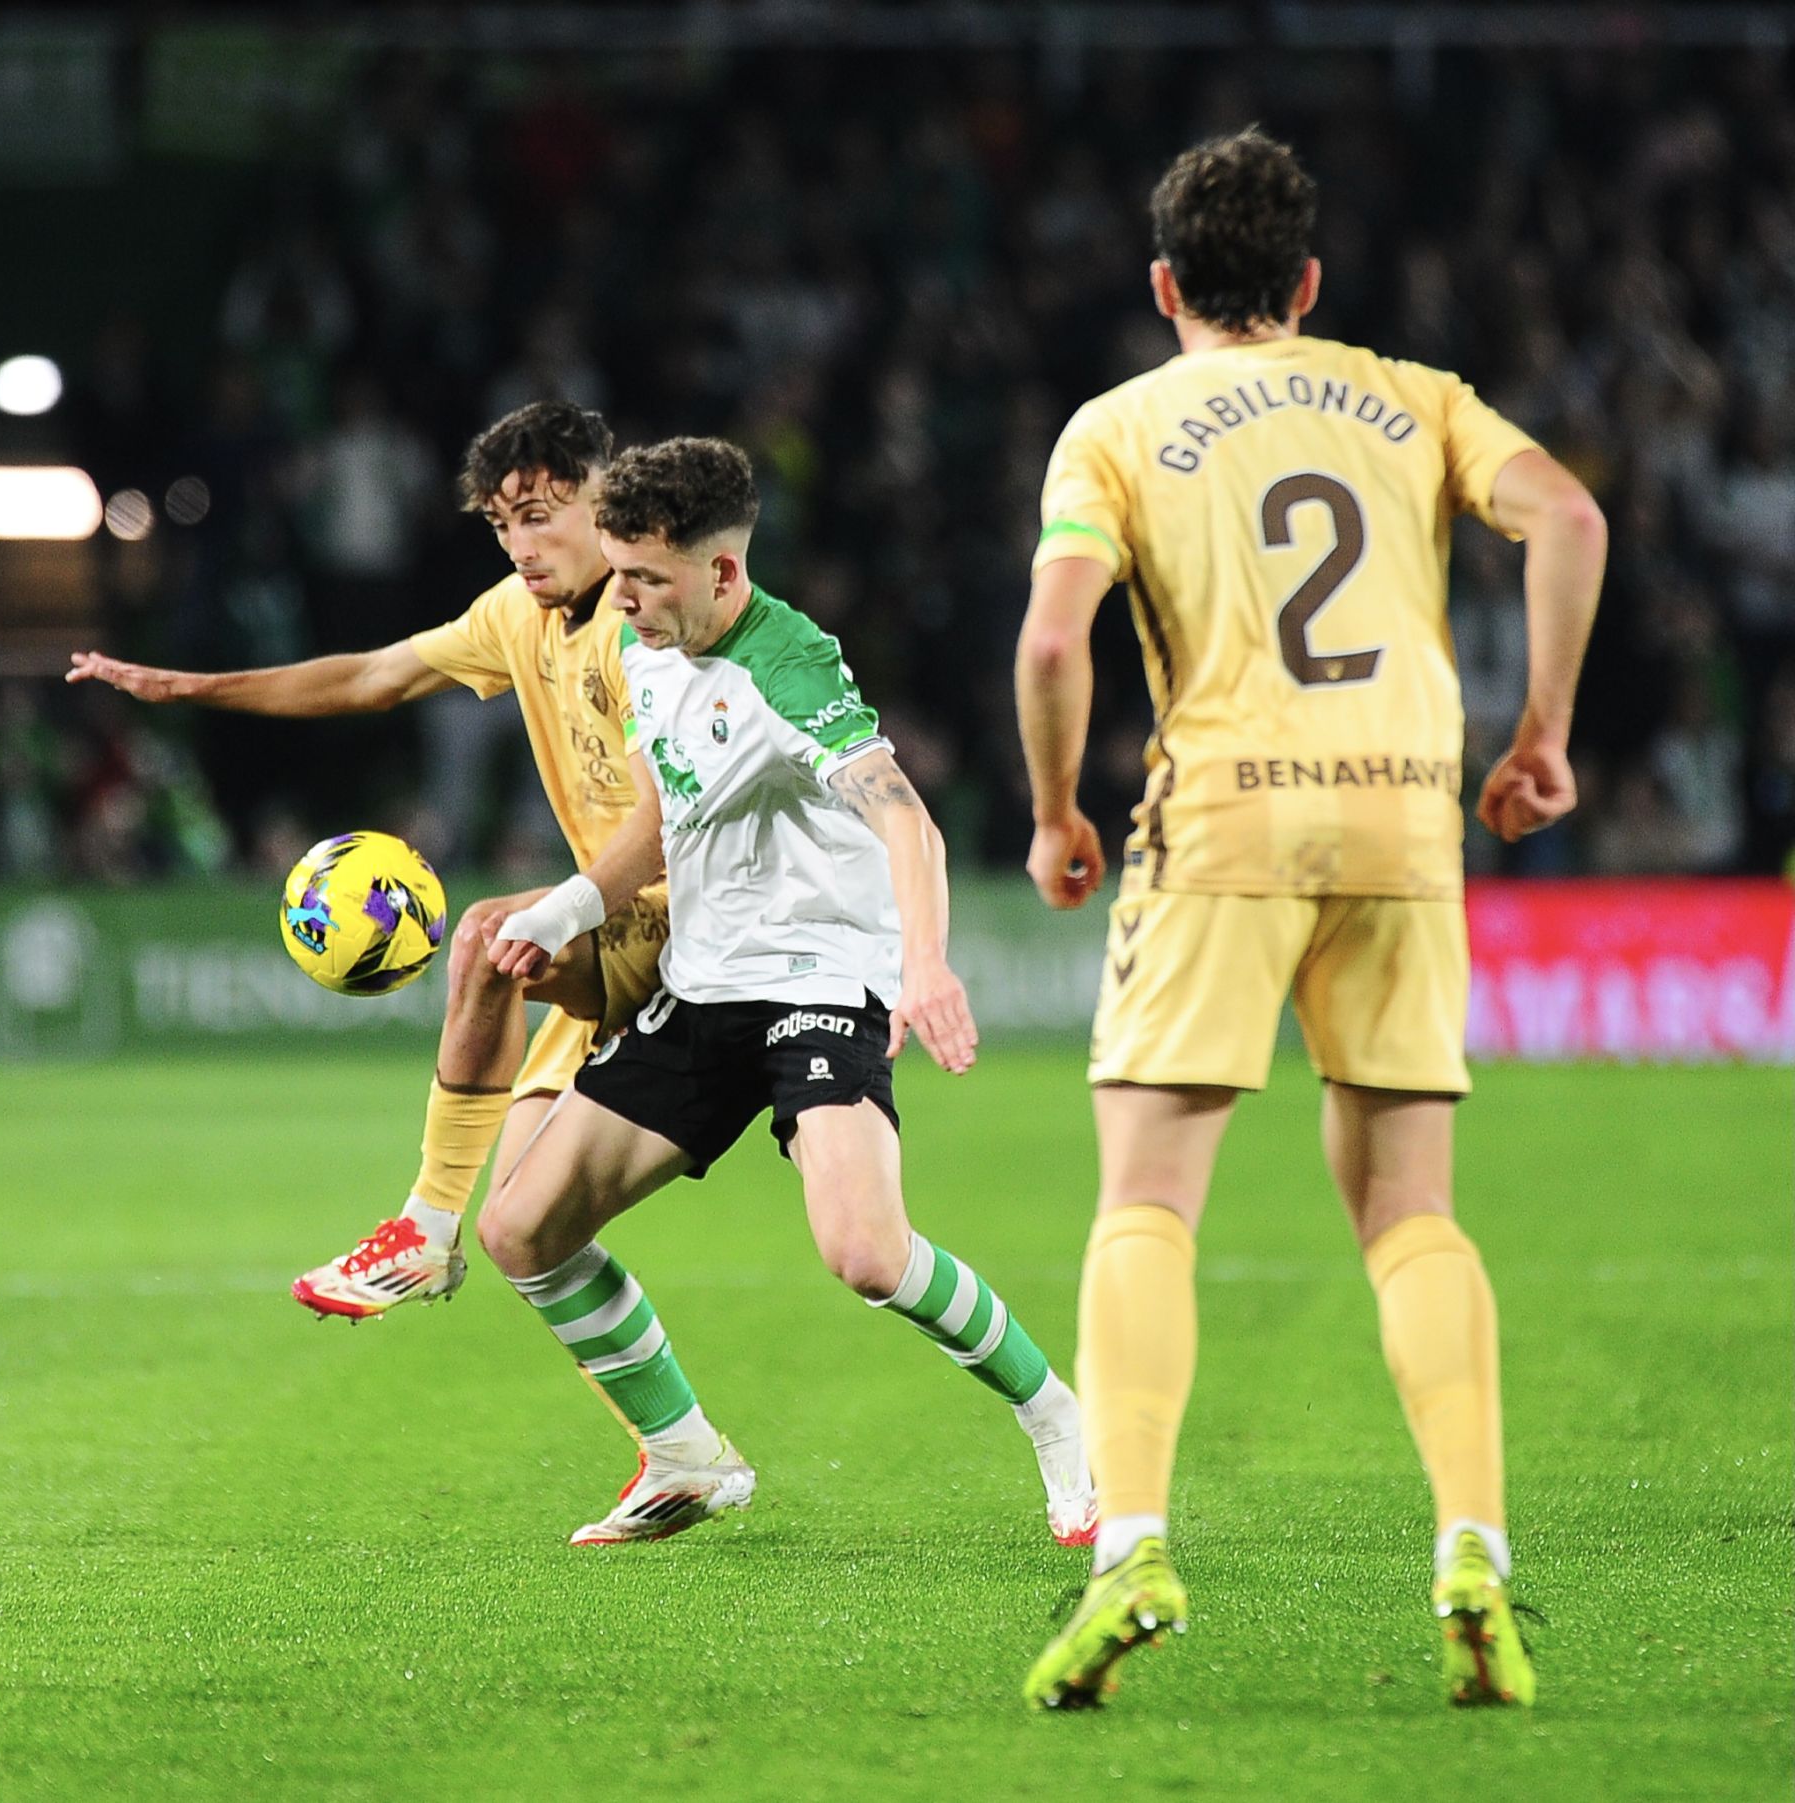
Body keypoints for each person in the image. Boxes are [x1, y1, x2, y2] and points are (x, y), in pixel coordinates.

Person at [1013, 128, 1606, 1709]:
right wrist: (1540, 733)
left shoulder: (1118, 426)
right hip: (1407, 810)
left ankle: (1130, 1543)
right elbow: (1571, 519)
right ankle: (1471, 1546)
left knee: (1147, 1195)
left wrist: (1060, 808)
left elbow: (1058, 631)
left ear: (1162, 286)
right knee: (1412, 1206)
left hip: (1221, 818)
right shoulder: (1415, 398)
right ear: (1311, 282)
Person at [478, 436, 1097, 1549]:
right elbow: (667, 813)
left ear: (723, 573)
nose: (623, 600)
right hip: (707, 987)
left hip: (820, 979)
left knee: (865, 1252)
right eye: (619, 574)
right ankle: (684, 1457)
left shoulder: (790, 666)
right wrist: (568, 911)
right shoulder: (645, 641)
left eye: (648, 580)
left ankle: (1057, 1416)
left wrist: (925, 965)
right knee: (521, 1229)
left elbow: (907, 818)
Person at [68, 402, 667, 1319]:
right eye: (504, 523)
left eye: (541, 514)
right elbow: (371, 677)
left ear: (606, 501)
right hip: (608, 921)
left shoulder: (646, 627)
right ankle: (687, 1455)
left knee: (484, 937)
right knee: (524, 1230)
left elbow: (670, 823)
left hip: (690, 914)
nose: (521, 544)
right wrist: (191, 687)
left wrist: (565, 911)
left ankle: (425, 1226)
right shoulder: (515, 614)